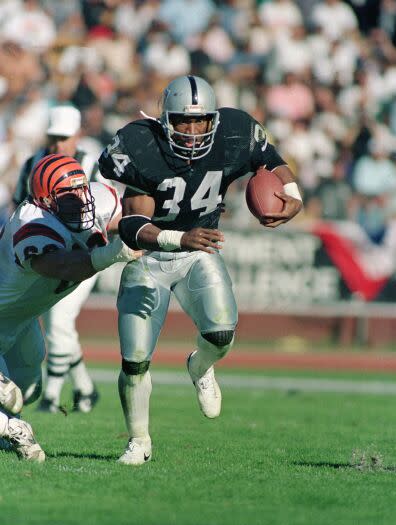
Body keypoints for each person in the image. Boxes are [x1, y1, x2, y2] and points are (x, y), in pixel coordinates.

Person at [98, 74, 303, 466]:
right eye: (183, 121)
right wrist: (179, 238)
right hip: (148, 258)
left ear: (215, 120)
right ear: (164, 121)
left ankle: (200, 365)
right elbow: (131, 227)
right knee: (135, 358)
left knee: (222, 334)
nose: (192, 131)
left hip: (198, 251)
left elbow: (270, 158)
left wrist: (292, 193)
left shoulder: (235, 132)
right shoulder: (141, 145)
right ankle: (138, 441)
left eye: (201, 121)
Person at [0, 154, 140, 462]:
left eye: (81, 188)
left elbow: (127, 221)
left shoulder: (96, 200)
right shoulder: (32, 223)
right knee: (9, 404)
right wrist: (112, 253)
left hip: (21, 321)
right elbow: (61, 266)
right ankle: (14, 431)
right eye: (68, 193)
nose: (79, 198)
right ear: (46, 200)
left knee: (30, 390)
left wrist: (154, 232)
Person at [13, 105, 112, 413]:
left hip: (84, 251)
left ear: (77, 136)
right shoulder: (33, 162)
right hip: (49, 251)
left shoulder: (93, 162)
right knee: (56, 322)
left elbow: (104, 208)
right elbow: (22, 208)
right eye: (53, 136)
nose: (57, 144)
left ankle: (53, 395)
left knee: (59, 321)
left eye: (63, 137)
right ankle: (84, 388)